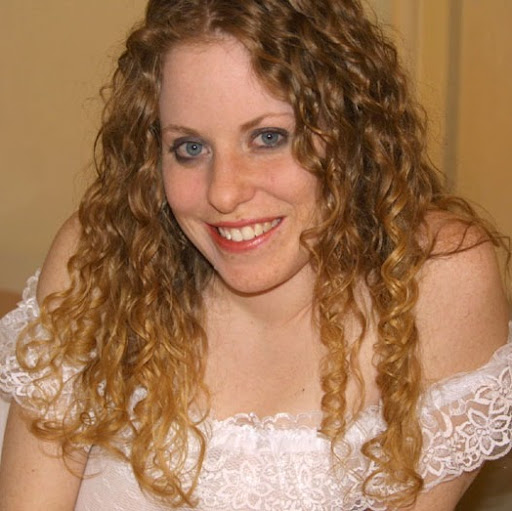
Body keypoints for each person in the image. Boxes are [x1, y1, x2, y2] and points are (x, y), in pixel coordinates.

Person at [0, 0, 511, 509]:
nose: (223, 193)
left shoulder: (436, 280)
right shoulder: (102, 257)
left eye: (268, 138)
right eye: (190, 148)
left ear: (350, 131)